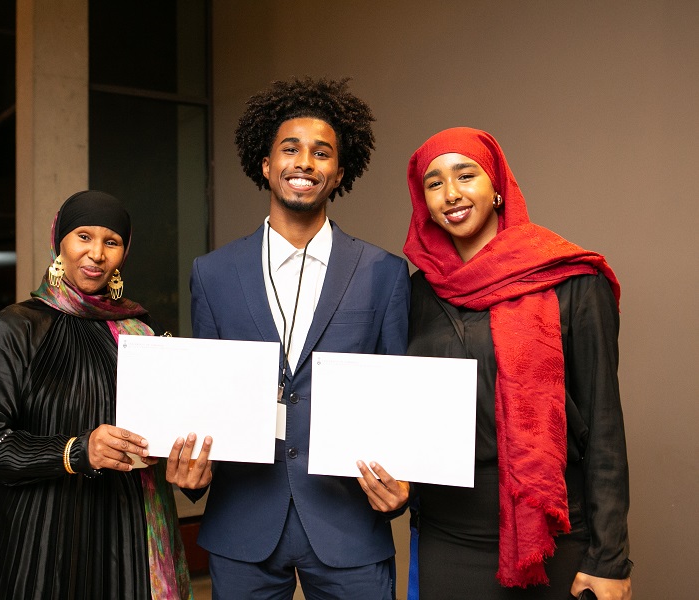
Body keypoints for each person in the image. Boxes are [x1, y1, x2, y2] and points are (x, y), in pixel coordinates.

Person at [167, 77, 411, 599]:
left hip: (350, 526)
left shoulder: (384, 272)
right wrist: (193, 472)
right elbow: (208, 395)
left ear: (339, 172)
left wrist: (403, 486)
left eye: (322, 153)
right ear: (265, 163)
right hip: (243, 524)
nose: (305, 162)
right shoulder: (212, 273)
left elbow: (398, 396)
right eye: (290, 148)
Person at [403, 127, 632, 600]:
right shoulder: (418, 293)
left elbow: (604, 426)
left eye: (466, 175)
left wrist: (609, 557)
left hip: (554, 533)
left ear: (497, 185)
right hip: (448, 537)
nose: (451, 194)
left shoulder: (571, 281)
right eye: (434, 183)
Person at [0, 191, 192, 599]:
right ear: (60, 243)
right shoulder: (17, 328)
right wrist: (76, 449)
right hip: (42, 541)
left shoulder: (144, 331)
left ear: (123, 253)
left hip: (127, 542)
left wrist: (190, 467)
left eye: (111, 241)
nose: (96, 253)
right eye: (83, 236)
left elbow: (174, 428)